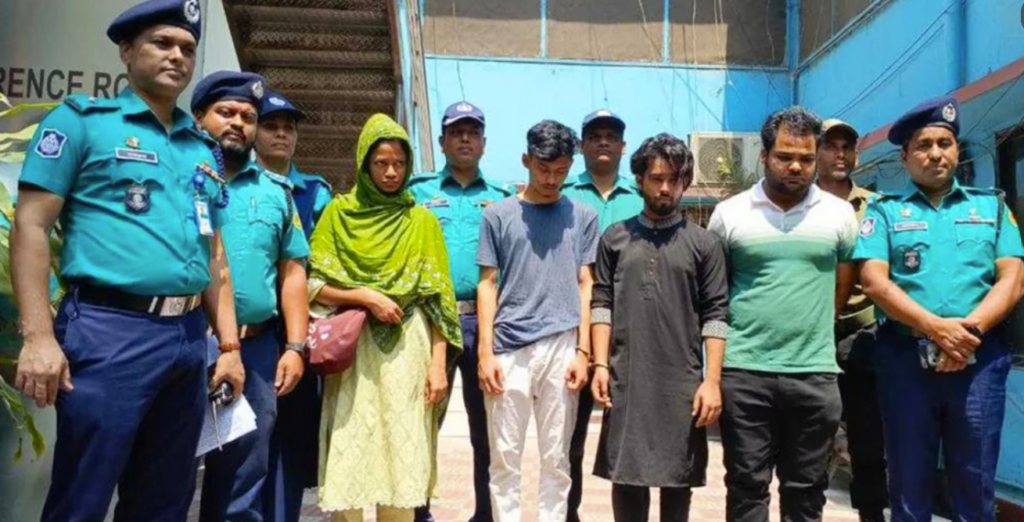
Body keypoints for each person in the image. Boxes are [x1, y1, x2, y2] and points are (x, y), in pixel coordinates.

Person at [11, 1, 244, 521]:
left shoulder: (201, 149)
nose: (177, 56)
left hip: (187, 339)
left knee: (164, 502)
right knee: (83, 498)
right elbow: (31, 226)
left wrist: (228, 347)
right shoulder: (83, 123)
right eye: (163, 43)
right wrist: (38, 336)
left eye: (187, 48)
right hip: (109, 331)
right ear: (126, 51)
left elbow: (215, 256)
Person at [854, 96, 1024, 522]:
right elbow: (874, 281)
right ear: (905, 156)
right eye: (924, 145)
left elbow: (1012, 279)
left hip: (978, 361)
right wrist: (936, 329)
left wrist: (967, 335)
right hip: (905, 362)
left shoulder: (993, 208)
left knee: (975, 483)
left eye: (944, 144)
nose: (935, 154)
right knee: (909, 486)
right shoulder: (884, 212)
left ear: (957, 150)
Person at [310, 113, 464, 522]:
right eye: (381, 163)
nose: (392, 172)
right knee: (349, 442)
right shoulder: (338, 215)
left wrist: (437, 367)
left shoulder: (422, 222)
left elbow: (438, 303)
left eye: (399, 163)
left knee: (402, 445)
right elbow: (312, 285)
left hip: (408, 347)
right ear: (364, 164)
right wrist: (364, 296)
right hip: (353, 350)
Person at [707, 107, 859, 522]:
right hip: (745, 374)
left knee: (806, 493)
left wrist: (815, 327)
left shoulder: (839, 214)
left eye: (806, 158)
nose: (795, 166)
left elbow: (843, 283)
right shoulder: (730, 214)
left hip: (814, 375)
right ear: (764, 155)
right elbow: (716, 291)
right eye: (784, 156)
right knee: (746, 489)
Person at [190, 71, 311, 522]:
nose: (238, 124)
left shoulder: (277, 192)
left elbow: (293, 272)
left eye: (248, 117)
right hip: (187, 338)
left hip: (258, 348)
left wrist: (295, 346)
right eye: (227, 113)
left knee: (244, 471)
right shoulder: (184, 176)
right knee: (169, 467)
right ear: (199, 117)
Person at [590, 133, 729, 522]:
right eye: (656, 178)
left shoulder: (704, 244)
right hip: (627, 377)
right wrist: (600, 365)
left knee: (677, 481)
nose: (665, 188)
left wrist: (712, 381)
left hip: (681, 382)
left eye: (674, 179)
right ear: (639, 179)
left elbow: (716, 314)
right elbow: (601, 304)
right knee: (626, 477)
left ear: (685, 182)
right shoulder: (615, 238)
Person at [477, 120, 598, 522]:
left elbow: (586, 283)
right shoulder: (498, 216)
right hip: (508, 347)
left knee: (557, 458)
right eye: (544, 169)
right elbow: (487, 284)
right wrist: (485, 353)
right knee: (504, 457)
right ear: (526, 160)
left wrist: (583, 351)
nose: (551, 179)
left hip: (562, 344)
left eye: (561, 171)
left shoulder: (583, 216)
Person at [408, 101, 511, 522]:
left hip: (486, 323)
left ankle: (486, 513)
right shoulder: (418, 192)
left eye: (473, 132)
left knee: (487, 428)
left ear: (484, 143)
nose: (465, 139)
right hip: (429, 319)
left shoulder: (503, 198)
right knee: (422, 420)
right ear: (442, 141)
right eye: (456, 132)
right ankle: (418, 513)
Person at [254, 89, 334, 522]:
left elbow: (321, 265)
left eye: (289, 128)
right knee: (242, 441)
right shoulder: (232, 184)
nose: (281, 135)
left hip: (295, 334)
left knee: (289, 440)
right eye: (271, 126)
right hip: (246, 329)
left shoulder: (316, 193)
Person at [560, 110, 643, 522]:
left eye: (612, 135)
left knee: (629, 436)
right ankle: (568, 514)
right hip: (573, 327)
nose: (604, 142)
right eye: (594, 136)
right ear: (582, 146)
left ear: (623, 146)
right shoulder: (564, 194)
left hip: (629, 331)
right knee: (569, 438)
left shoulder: (640, 198)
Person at [814, 119, 887, 522]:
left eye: (847, 147)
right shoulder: (799, 204)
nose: (839, 154)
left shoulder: (877, 206)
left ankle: (871, 514)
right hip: (810, 336)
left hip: (863, 335)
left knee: (868, 440)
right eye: (830, 146)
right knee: (810, 442)